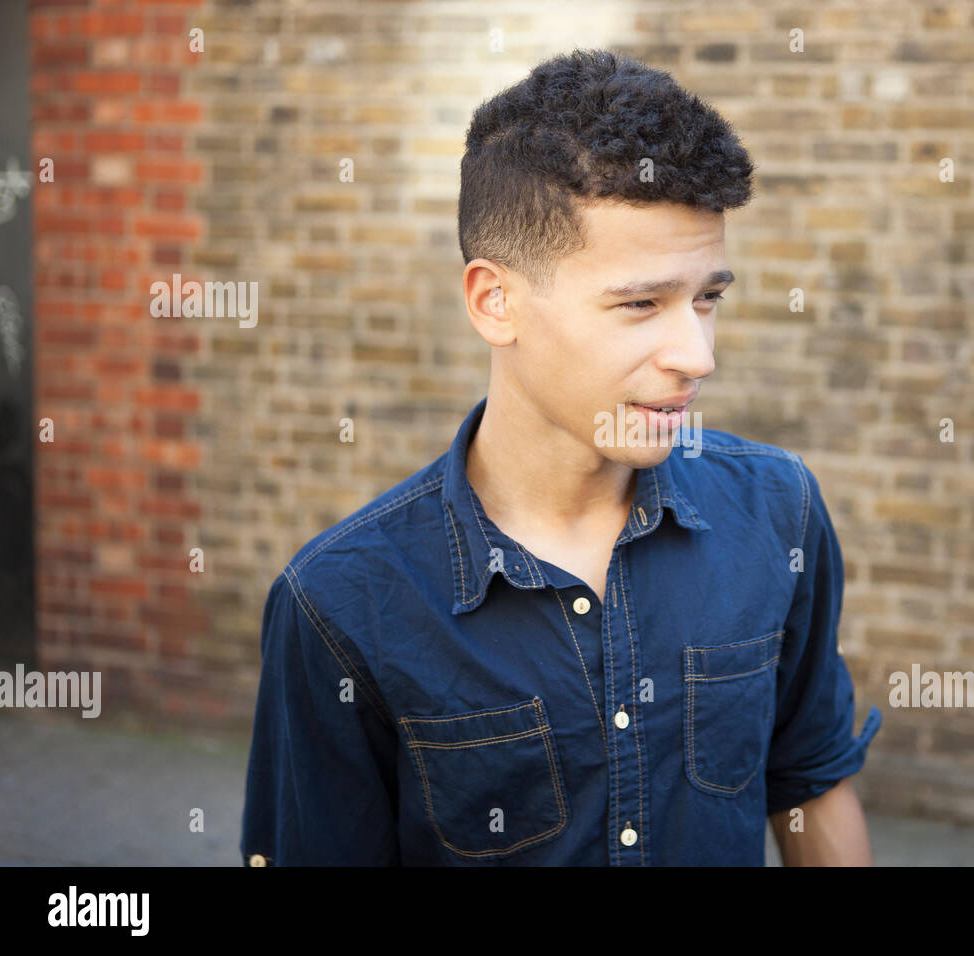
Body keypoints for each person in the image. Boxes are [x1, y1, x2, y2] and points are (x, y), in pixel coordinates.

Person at [240, 47, 882, 866]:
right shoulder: (340, 606)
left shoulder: (777, 511)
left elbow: (811, 784)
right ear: (494, 301)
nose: (698, 355)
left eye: (708, 299)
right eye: (641, 304)